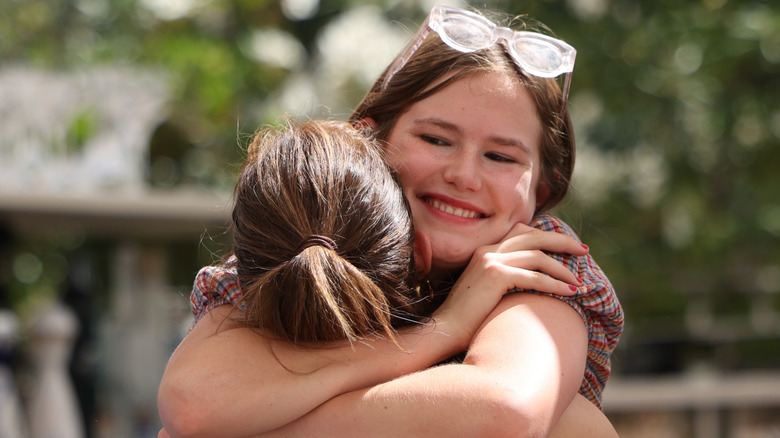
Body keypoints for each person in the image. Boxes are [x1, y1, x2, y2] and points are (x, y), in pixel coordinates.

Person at [158, 4, 623, 437]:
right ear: (372, 137)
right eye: (437, 139)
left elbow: (506, 412)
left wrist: (260, 423)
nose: (464, 175)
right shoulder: (313, 233)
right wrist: (442, 330)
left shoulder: (536, 260)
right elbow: (193, 402)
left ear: (541, 191)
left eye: (501, 156)